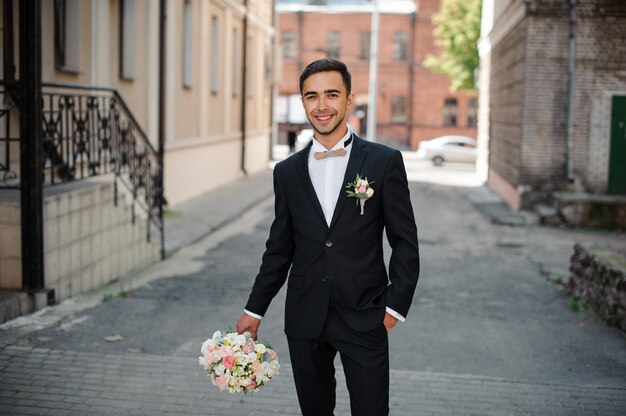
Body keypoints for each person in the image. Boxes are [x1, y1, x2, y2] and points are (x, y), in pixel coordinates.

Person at [236, 58, 420, 416]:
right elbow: (279, 249)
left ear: (349, 100)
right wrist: (253, 311)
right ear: (303, 102)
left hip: (366, 313)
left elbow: (405, 242)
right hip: (305, 316)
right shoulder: (287, 172)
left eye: (332, 95)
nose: (321, 106)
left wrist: (393, 307)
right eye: (312, 96)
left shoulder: (384, 162)